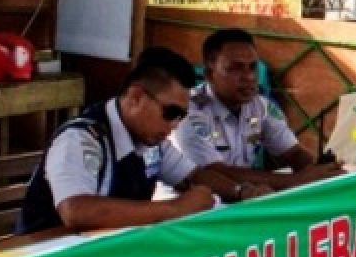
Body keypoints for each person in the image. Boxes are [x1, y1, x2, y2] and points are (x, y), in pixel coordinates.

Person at [19, 47, 244, 234]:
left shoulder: (152, 141)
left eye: (182, 116)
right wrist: (175, 208)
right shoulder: (80, 139)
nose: (175, 125)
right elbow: (76, 210)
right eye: (171, 112)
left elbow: (192, 176)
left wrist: (241, 191)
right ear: (136, 97)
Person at [171, 28, 342, 191]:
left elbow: (292, 152)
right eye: (235, 68)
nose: (249, 77)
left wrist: (317, 170)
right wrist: (295, 181)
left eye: (252, 67)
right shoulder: (188, 110)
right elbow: (213, 172)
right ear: (209, 74)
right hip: (190, 206)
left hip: (241, 197)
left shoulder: (260, 106)